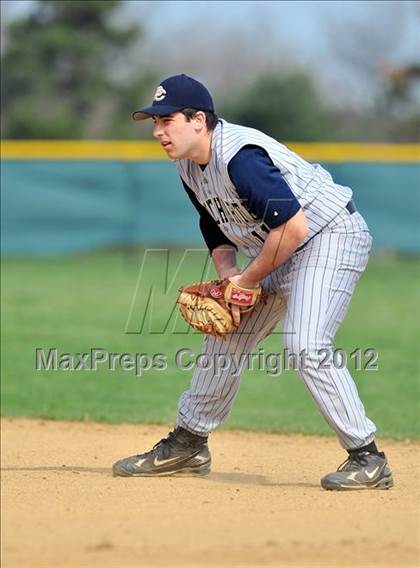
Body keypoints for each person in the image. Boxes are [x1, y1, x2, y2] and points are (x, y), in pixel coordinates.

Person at [112, 74, 393, 490]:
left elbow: (294, 227)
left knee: (305, 345)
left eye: (166, 120)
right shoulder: (189, 166)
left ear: (198, 120)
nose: (157, 131)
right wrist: (229, 278)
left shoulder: (241, 156)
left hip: (328, 236)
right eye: (154, 122)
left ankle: (368, 457)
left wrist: (247, 279)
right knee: (226, 337)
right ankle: (188, 443)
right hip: (277, 247)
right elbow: (214, 223)